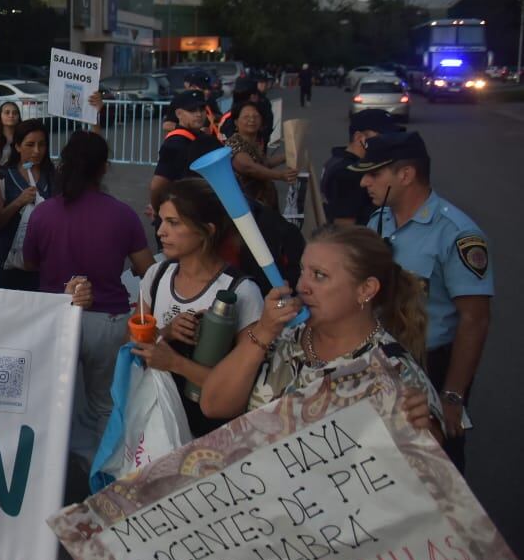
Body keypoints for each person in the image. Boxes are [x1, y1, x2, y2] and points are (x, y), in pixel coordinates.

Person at [200, 226, 442, 442]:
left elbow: (424, 472)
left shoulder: (395, 369)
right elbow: (213, 405)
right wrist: (262, 332)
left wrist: (424, 431)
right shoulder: (282, 338)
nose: (301, 286)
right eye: (303, 271)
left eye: (319, 276)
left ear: (365, 289)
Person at [20, 130, 153, 488]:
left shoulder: (43, 214)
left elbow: (30, 263)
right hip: (109, 322)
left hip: (57, 320)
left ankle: (43, 482)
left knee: (50, 402)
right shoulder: (122, 215)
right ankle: (101, 481)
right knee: (103, 405)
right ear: (104, 168)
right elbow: (146, 268)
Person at [352, 131, 491, 471]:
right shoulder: (378, 221)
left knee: (438, 465)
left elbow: (475, 319)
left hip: (431, 364)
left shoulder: (456, 233)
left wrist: (453, 396)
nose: (364, 183)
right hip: (380, 359)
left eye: (374, 174)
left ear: (406, 174)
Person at [133, 179, 265, 438]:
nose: (160, 232)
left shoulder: (241, 291)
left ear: (207, 230)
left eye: (174, 223)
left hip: (210, 432)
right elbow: (133, 347)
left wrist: (176, 362)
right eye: (161, 221)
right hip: (156, 421)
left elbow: (242, 385)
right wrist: (166, 332)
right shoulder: (156, 275)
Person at [0, 118, 52, 289]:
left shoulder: (53, 177)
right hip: (7, 266)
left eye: (42, 145)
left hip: (44, 267)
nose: (36, 151)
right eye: (30, 144)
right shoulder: (2, 176)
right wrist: (18, 202)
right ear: (18, 146)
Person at [321, 109, 400, 226]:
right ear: (359, 138)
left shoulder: (336, 160)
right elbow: (345, 227)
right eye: (383, 137)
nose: (389, 142)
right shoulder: (348, 174)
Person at [149, 90, 222, 215]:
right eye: (192, 110)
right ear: (179, 114)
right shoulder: (175, 143)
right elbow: (157, 186)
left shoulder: (202, 136)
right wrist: (158, 211)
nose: (199, 114)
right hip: (183, 211)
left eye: (201, 109)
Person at [226, 102, 297, 209]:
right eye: (246, 117)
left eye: (256, 116)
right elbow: (249, 167)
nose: (252, 120)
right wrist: (280, 175)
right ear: (236, 122)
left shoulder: (255, 143)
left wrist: (289, 155)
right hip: (248, 208)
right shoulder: (233, 143)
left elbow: (264, 163)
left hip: (265, 204)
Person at [0, 100, 21, 169]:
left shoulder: (24, 136)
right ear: (0, 115)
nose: (11, 115)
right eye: (7, 112)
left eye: (15, 113)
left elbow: (29, 162)